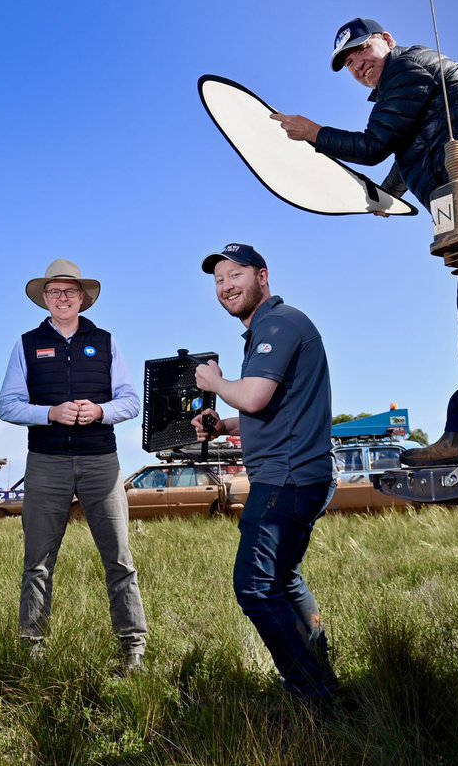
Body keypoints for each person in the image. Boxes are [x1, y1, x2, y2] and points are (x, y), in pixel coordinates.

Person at [271, 17, 458, 465]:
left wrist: (313, 132)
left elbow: (373, 144)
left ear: (387, 41)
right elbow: (411, 145)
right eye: (347, 61)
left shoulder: (406, 70)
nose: (357, 63)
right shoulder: (408, 79)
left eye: (362, 50)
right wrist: (389, 194)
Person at [192, 243, 338, 705]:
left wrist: (214, 384)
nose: (226, 286)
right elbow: (269, 406)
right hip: (302, 472)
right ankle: (320, 673)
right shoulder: (271, 328)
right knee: (283, 577)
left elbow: (253, 396)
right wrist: (224, 425)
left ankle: (311, 692)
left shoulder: (276, 323)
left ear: (263, 275)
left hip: (287, 478)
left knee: (255, 587)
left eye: (235, 274)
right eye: (218, 280)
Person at [0, 258, 147, 673]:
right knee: (39, 560)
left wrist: (99, 411)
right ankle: (32, 646)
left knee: (118, 557)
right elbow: (7, 405)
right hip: (46, 463)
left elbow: (130, 401)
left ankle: (133, 646)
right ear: (44, 298)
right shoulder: (26, 344)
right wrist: (50, 414)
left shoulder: (106, 341)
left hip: (102, 461)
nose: (63, 298)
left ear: (83, 298)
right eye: (55, 292)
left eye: (70, 291)